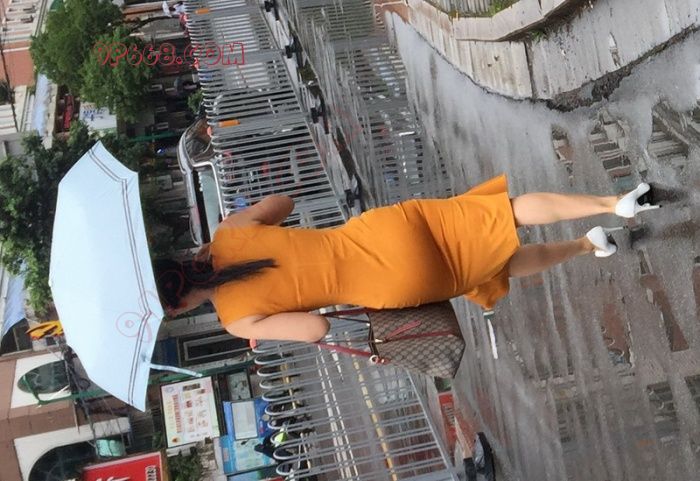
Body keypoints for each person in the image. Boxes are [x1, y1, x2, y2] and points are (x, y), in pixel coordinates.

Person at [153, 175, 659, 343]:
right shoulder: (229, 233)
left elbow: (317, 329)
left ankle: (586, 245)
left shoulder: (237, 320)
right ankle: (613, 203)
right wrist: (235, 225)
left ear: (177, 307)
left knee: (496, 266)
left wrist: (271, 319)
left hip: (397, 282)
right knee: (502, 214)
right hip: (387, 230)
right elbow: (284, 203)